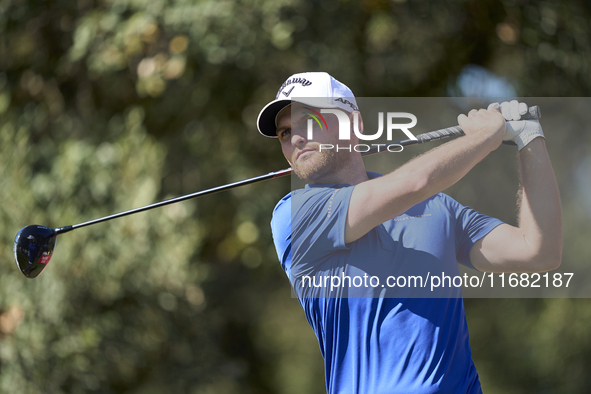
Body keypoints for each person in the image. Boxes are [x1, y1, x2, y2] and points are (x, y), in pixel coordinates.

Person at [256, 72, 562, 393]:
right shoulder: (294, 215)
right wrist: (484, 137)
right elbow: (415, 182)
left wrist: (530, 140)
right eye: (285, 132)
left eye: (309, 121)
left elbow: (538, 251)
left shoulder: (438, 208)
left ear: (353, 123)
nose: (296, 139)